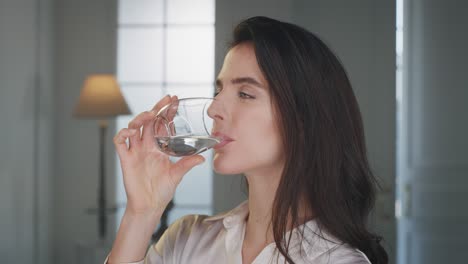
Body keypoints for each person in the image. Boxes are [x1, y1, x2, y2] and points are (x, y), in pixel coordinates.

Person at [107, 16, 388, 264]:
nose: (213, 109)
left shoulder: (337, 261)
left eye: (245, 94)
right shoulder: (187, 239)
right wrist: (142, 212)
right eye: (219, 90)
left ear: (304, 120)